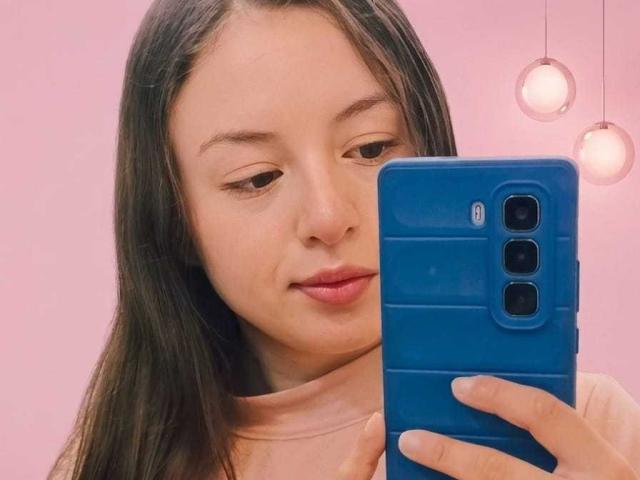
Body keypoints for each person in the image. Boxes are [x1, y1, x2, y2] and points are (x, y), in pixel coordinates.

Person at [48, 0, 640, 479]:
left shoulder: (585, 434)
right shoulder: (113, 457)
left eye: (371, 148)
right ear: (173, 219)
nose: (329, 217)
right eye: (257, 178)